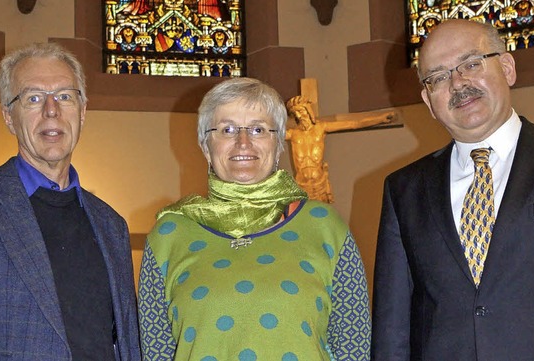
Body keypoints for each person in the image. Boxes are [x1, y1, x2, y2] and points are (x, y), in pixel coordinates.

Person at [371, 19, 534, 360]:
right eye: (438, 77)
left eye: (472, 64)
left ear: (507, 67)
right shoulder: (403, 190)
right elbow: (392, 332)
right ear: (428, 99)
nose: (458, 83)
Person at [138, 78, 371, 360]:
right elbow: (154, 352)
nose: (243, 142)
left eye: (259, 129)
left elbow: (354, 346)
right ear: (205, 145)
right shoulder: (168, 235)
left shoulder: (324, 225)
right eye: (227, 129)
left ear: (278, 142)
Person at [0, 43, 141, 360]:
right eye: (33, 98)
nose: (51, 110)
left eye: (64, 96)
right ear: (8, 117)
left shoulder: (112, 226)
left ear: (82, 112)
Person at [286, 95, 392, 203]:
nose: (298, 116)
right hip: (301, 187)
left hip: (319, 186)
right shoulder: (293, 134)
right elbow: (270, 133)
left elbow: (353, 124)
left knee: (322, 216)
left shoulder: (321, 128)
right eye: (295, 113)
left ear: (308, 111)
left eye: (300, 111)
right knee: (302, 218)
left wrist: (380, 119)